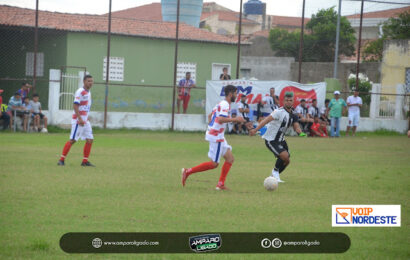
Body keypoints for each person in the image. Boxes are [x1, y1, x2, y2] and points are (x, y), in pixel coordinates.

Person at [181, 85, 246, 190]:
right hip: (217, 137)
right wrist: (236, 120)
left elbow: (210, 115)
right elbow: (220, 119)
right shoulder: (225, 105)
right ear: (230, 94)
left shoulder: (221, 103)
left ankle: (220, 184)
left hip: (217, 135)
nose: (236, 95)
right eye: (235, 93)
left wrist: (212, 127)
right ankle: (187, 171)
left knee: (230, 159)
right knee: (214, 164)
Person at [250, 92, 306, 183]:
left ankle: (274, 177)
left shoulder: (294, 114)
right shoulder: (278, 112)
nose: (288, 102)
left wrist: (300, 132)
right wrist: (255, 130)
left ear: (293, 102)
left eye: (290, 100)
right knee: (284, 156)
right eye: (286, 100)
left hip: (281, 140)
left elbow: (296, 126)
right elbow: (265, 120)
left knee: (287, 161)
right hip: (271, 140)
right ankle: (275, 172)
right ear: (283, 101)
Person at [58, 75, 95, 166]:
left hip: (85, 120)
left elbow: (84, 107)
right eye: (88, 81)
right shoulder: (80, 92)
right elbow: (75, 105)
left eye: (91, 81)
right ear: (84, 82)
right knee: (73, 140)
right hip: (78, 120)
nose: (90, 83)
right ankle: (61, 160)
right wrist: (80, 118)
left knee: (90, 139)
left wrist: (86, 117)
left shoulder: (88, 92)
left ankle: (85, 161)